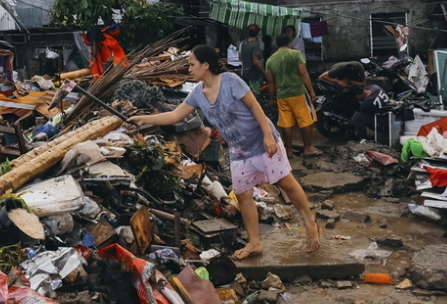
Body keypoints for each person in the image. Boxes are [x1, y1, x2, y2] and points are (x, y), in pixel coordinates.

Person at [130, 45, 320, 259]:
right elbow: (174, 116)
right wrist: (143, 119)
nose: (189, 69)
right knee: (242, 194)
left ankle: (310, 223)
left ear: (206, 65)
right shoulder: (197, 94)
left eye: (192, 64)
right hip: (239, 149)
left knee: (285, 182)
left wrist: (268, 135)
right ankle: (255, 242)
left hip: (261, 140)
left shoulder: (230, 80)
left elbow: (256, 106)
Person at [265, 34, 321, 157]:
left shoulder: (270, 60)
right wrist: (312, 91)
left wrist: (271, 99)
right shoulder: (296, 54)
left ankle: (289, 151)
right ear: (289, 43)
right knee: (305, 120)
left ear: (276, 45)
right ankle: (307, 149)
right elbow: (303, 73)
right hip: (298, 92)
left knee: (286, 123)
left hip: (281, 94)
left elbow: (270, 82)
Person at [238, 24, 265, 92]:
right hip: (254, 75)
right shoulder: (255, 44)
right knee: (256, 95)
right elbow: (255, 61)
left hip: (244, 73)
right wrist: (264, 72)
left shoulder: (242, 43)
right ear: (257, 33)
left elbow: (240, 58)